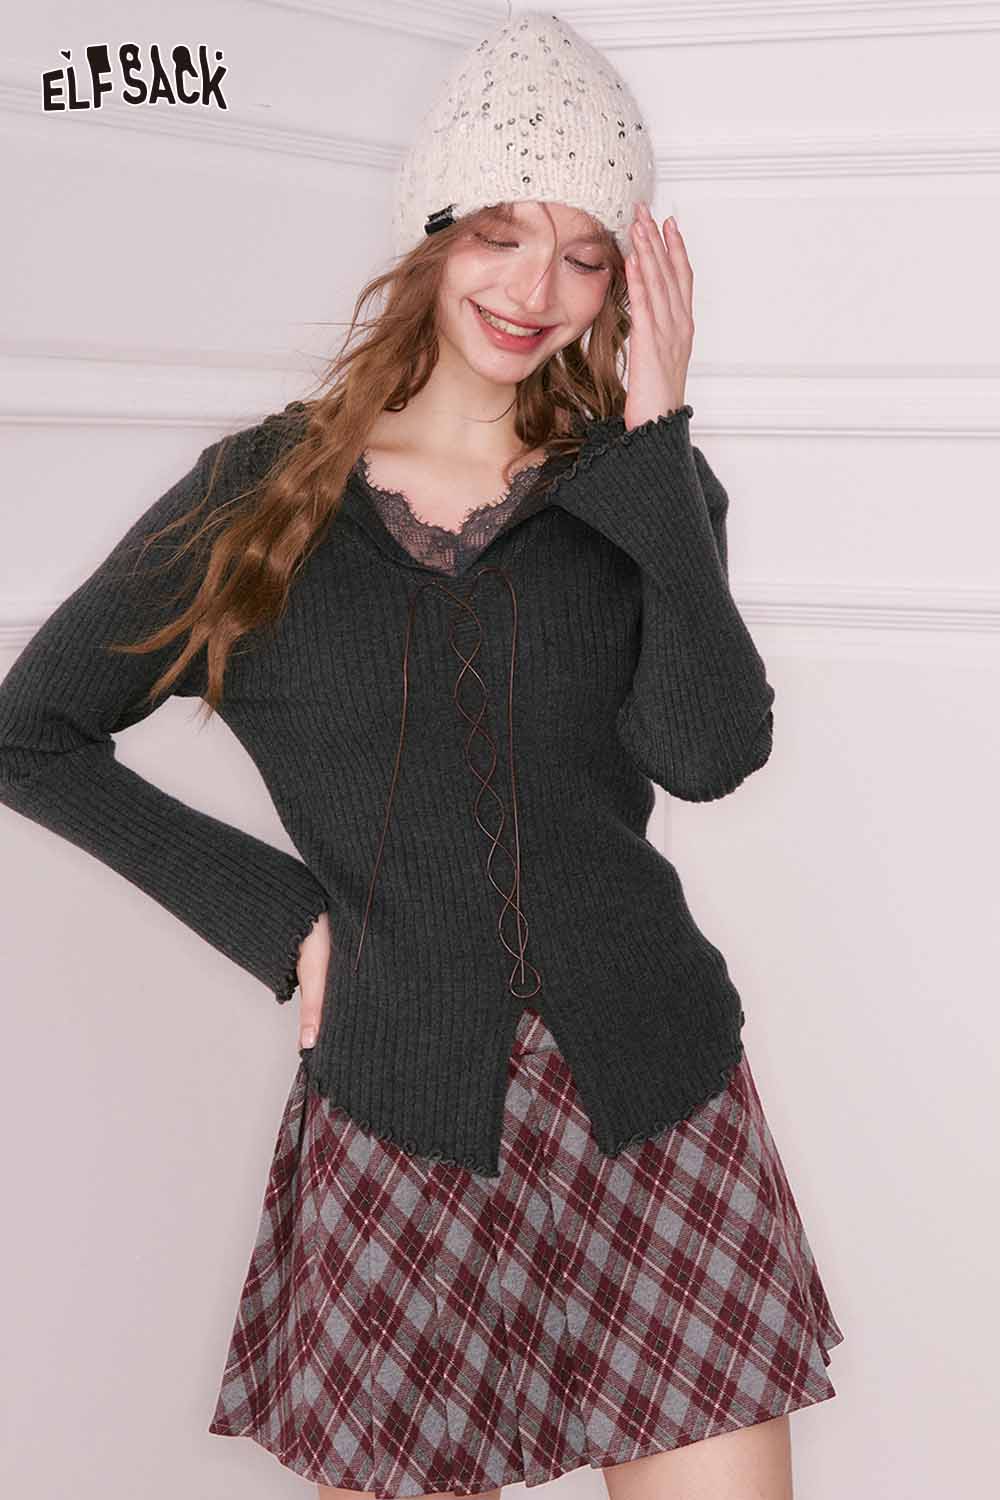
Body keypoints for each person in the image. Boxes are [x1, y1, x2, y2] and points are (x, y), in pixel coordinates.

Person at [0, 11, 844, 1499]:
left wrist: (657, 443)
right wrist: (283, 922)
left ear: (623, 283)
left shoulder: (639, 491)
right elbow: (29, 732)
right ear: (431, 233)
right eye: (502, 237)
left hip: (657, 1099)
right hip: (401, 1120)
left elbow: (709, 754)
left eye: (585, 256)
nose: (534, 290)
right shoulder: (262, 497)